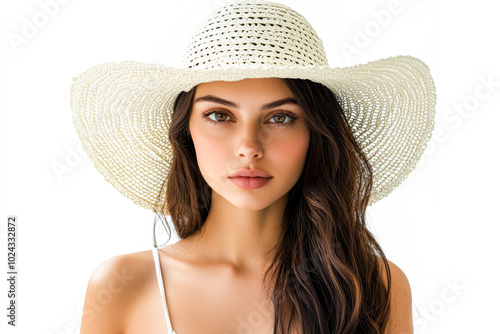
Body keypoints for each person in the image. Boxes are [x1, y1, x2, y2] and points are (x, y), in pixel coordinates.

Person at [70, 0, 436, 333]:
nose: (248, 148)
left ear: (316, 133)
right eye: (219, 115)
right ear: (186, 132)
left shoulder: (375, 286)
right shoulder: (124, 286)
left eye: (280, 118)